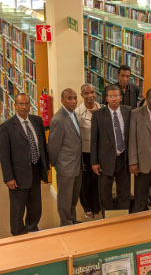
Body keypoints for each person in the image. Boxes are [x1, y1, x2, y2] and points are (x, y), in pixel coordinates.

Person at [0, 93, 49, 236]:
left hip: (35, 170)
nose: (24, 107)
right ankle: (17, 232)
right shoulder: (6, 128)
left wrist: (46, 165)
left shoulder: (37, 121)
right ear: (15, 106)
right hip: (18, 174)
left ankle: (32, 227)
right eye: (21, 104)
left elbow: (42, 145)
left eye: (27, 103)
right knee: (18, 207)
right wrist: (9, 177)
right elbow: (4, 155)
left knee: (35, 206)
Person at [91, 85, 132, 217]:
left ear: (121, 97)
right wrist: (94, 162)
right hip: (105, 161)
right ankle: (107, 219)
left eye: (116, 96)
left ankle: (122, 218)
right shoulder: (98, 115)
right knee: (105, 193)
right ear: (106, 98)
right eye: (111, 96)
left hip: (124, 159)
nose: (114, 99)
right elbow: (94, 140)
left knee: (124, 192)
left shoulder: (129, 111)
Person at [48, 88, 83, 226]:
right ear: (62, 100)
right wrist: (56, 164)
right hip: (65, 166)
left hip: (77, 164)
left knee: (73, 197)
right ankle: (66, 223)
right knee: (65, 199)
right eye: (69, 98)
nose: (73, 101)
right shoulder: (58, 119)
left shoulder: (73, 114)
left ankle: (72, 220)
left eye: (75, 98)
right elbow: (53, 146)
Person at [75, 83, 102, 219]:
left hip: (99, 151)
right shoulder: (78, 113)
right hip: (85, 152)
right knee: (85, 182)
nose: (90, 95)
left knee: (98, 180)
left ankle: (97, 205)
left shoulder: (102, 108)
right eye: (86, 93)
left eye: (92, 92)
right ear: (82, 95)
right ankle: (86, 206)